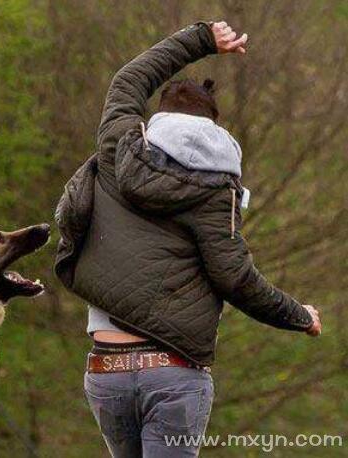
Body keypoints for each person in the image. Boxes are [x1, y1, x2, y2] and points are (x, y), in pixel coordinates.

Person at [63, 21, 322, 457]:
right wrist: (299, 315)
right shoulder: (216, 190)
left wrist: (202, 39)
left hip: (106, 370)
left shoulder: (116, 146)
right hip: (173, 374)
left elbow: (130, 79)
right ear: (215, 130)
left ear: (159, 117)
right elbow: (235, 277)